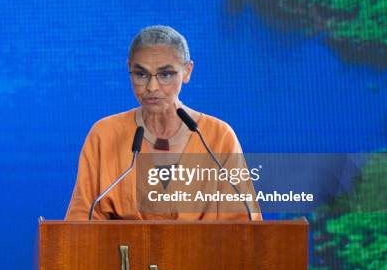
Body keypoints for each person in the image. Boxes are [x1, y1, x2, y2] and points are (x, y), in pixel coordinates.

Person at [65, 25, 262, 221]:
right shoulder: (105, 135)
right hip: (121, 252)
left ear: (187, 71)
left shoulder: (218, 136)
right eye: (141, 74)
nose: (152, 87)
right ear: (129, 70)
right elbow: (81, 225)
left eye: (165, 74)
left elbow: (244, 228)